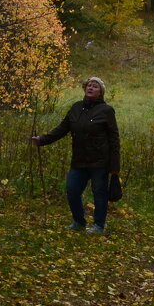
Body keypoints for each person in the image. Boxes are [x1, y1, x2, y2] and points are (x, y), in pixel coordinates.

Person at [30, 76, 121, 235]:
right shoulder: (76, 108)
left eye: (95, 86)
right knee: (72, 189)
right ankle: (79, 222)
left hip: (100, 162)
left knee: (99, 194)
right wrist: (42, 140)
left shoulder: (106, 111)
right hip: (79, 160)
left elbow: (114, 139)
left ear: (101, 92)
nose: (91, 88)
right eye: (89, 85)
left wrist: (115, 167)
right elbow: (62, 129)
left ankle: (99, 225)